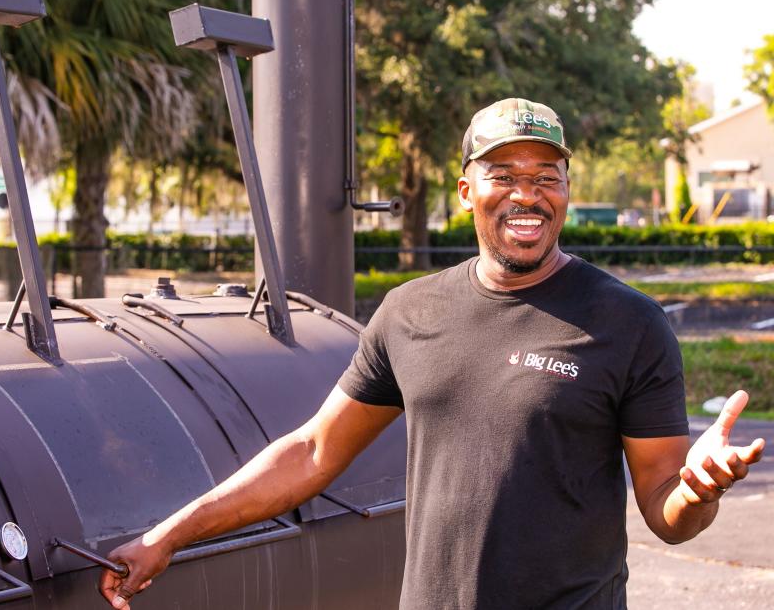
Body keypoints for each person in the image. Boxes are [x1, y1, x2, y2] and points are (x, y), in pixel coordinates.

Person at [100, 97, 766, 609]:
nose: (526, 193)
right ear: (466, 190)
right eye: (502, 173)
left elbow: (665, 508)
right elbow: (311, 452)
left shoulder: (629, 323)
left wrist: (699, 490)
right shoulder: (410, 311)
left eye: (547, 175)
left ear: (566, 187)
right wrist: (167, 536)